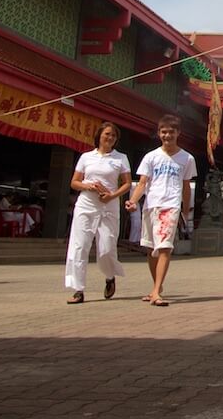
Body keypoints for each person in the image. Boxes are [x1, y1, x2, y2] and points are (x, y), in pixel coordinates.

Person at [125, 114, 196, 307]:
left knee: (164, 247)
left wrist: (186, 209)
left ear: (178, 133)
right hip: (150, 205)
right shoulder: (151, 157)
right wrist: (132, 201)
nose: (167, 136)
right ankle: (157, 286)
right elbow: (142, 183)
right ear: (159, 133)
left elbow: (186, 186)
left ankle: (156, 291)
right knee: (151, 248)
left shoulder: (187, 158)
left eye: (171, 132)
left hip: (170, 206)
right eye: (164, 132)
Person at [64, 122, 132, 304]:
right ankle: (78, 289)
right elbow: (75, 182)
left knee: (106, 248)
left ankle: (110, 276)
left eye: (113, 136)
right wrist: (89, 186)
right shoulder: (86, 157)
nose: (109, 138)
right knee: (79, 246)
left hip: (109, 206)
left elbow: (126, 183)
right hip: (86, 205)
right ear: (99, 135)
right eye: (107, 134)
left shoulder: (121, 158)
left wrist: (112, 195)